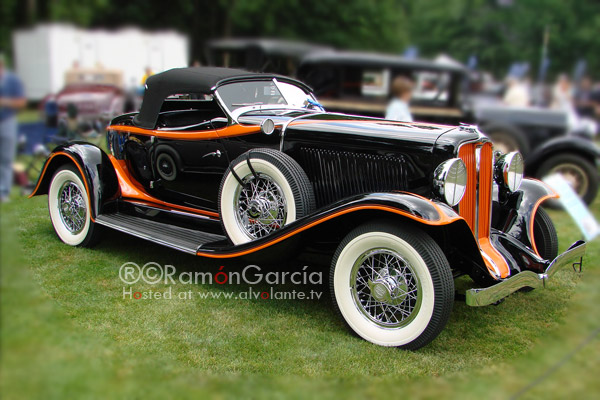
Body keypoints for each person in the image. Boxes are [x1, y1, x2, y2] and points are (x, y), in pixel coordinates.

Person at [0, 53, 26, 202]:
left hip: (7, 122)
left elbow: (21, 102)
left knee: (5, 158)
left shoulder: (12, 81)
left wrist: (4, 102)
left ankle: (3, 192)